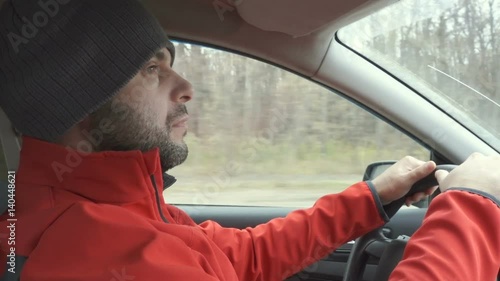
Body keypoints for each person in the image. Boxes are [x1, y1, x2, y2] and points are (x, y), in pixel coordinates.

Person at [0, 0, 497, 280]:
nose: (186, 88)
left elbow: (241, 257)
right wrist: (474, 209)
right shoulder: (95, 251)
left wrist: (371, 199)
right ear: (80, 109)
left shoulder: (122, 214)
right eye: (152, 70)